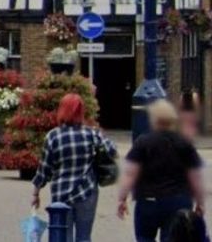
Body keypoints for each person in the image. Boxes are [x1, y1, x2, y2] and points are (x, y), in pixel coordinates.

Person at [30, 93, 115, 242]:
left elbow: (44, 169)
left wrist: (35, 194)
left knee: (63, 236)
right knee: (84, 237)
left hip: (61, 195)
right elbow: (112, 151)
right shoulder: (91, 133)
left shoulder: (53, 136)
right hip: (87, 191)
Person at [119, 99, 205, 242]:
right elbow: (195, 176)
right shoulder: (184, 143)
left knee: (144, 237)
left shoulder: (143, 142)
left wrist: (122, 198)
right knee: (174, 237)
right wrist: (200, 202)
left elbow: (130, 173)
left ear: (153, 119)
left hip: (148, 201)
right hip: (178, 200)